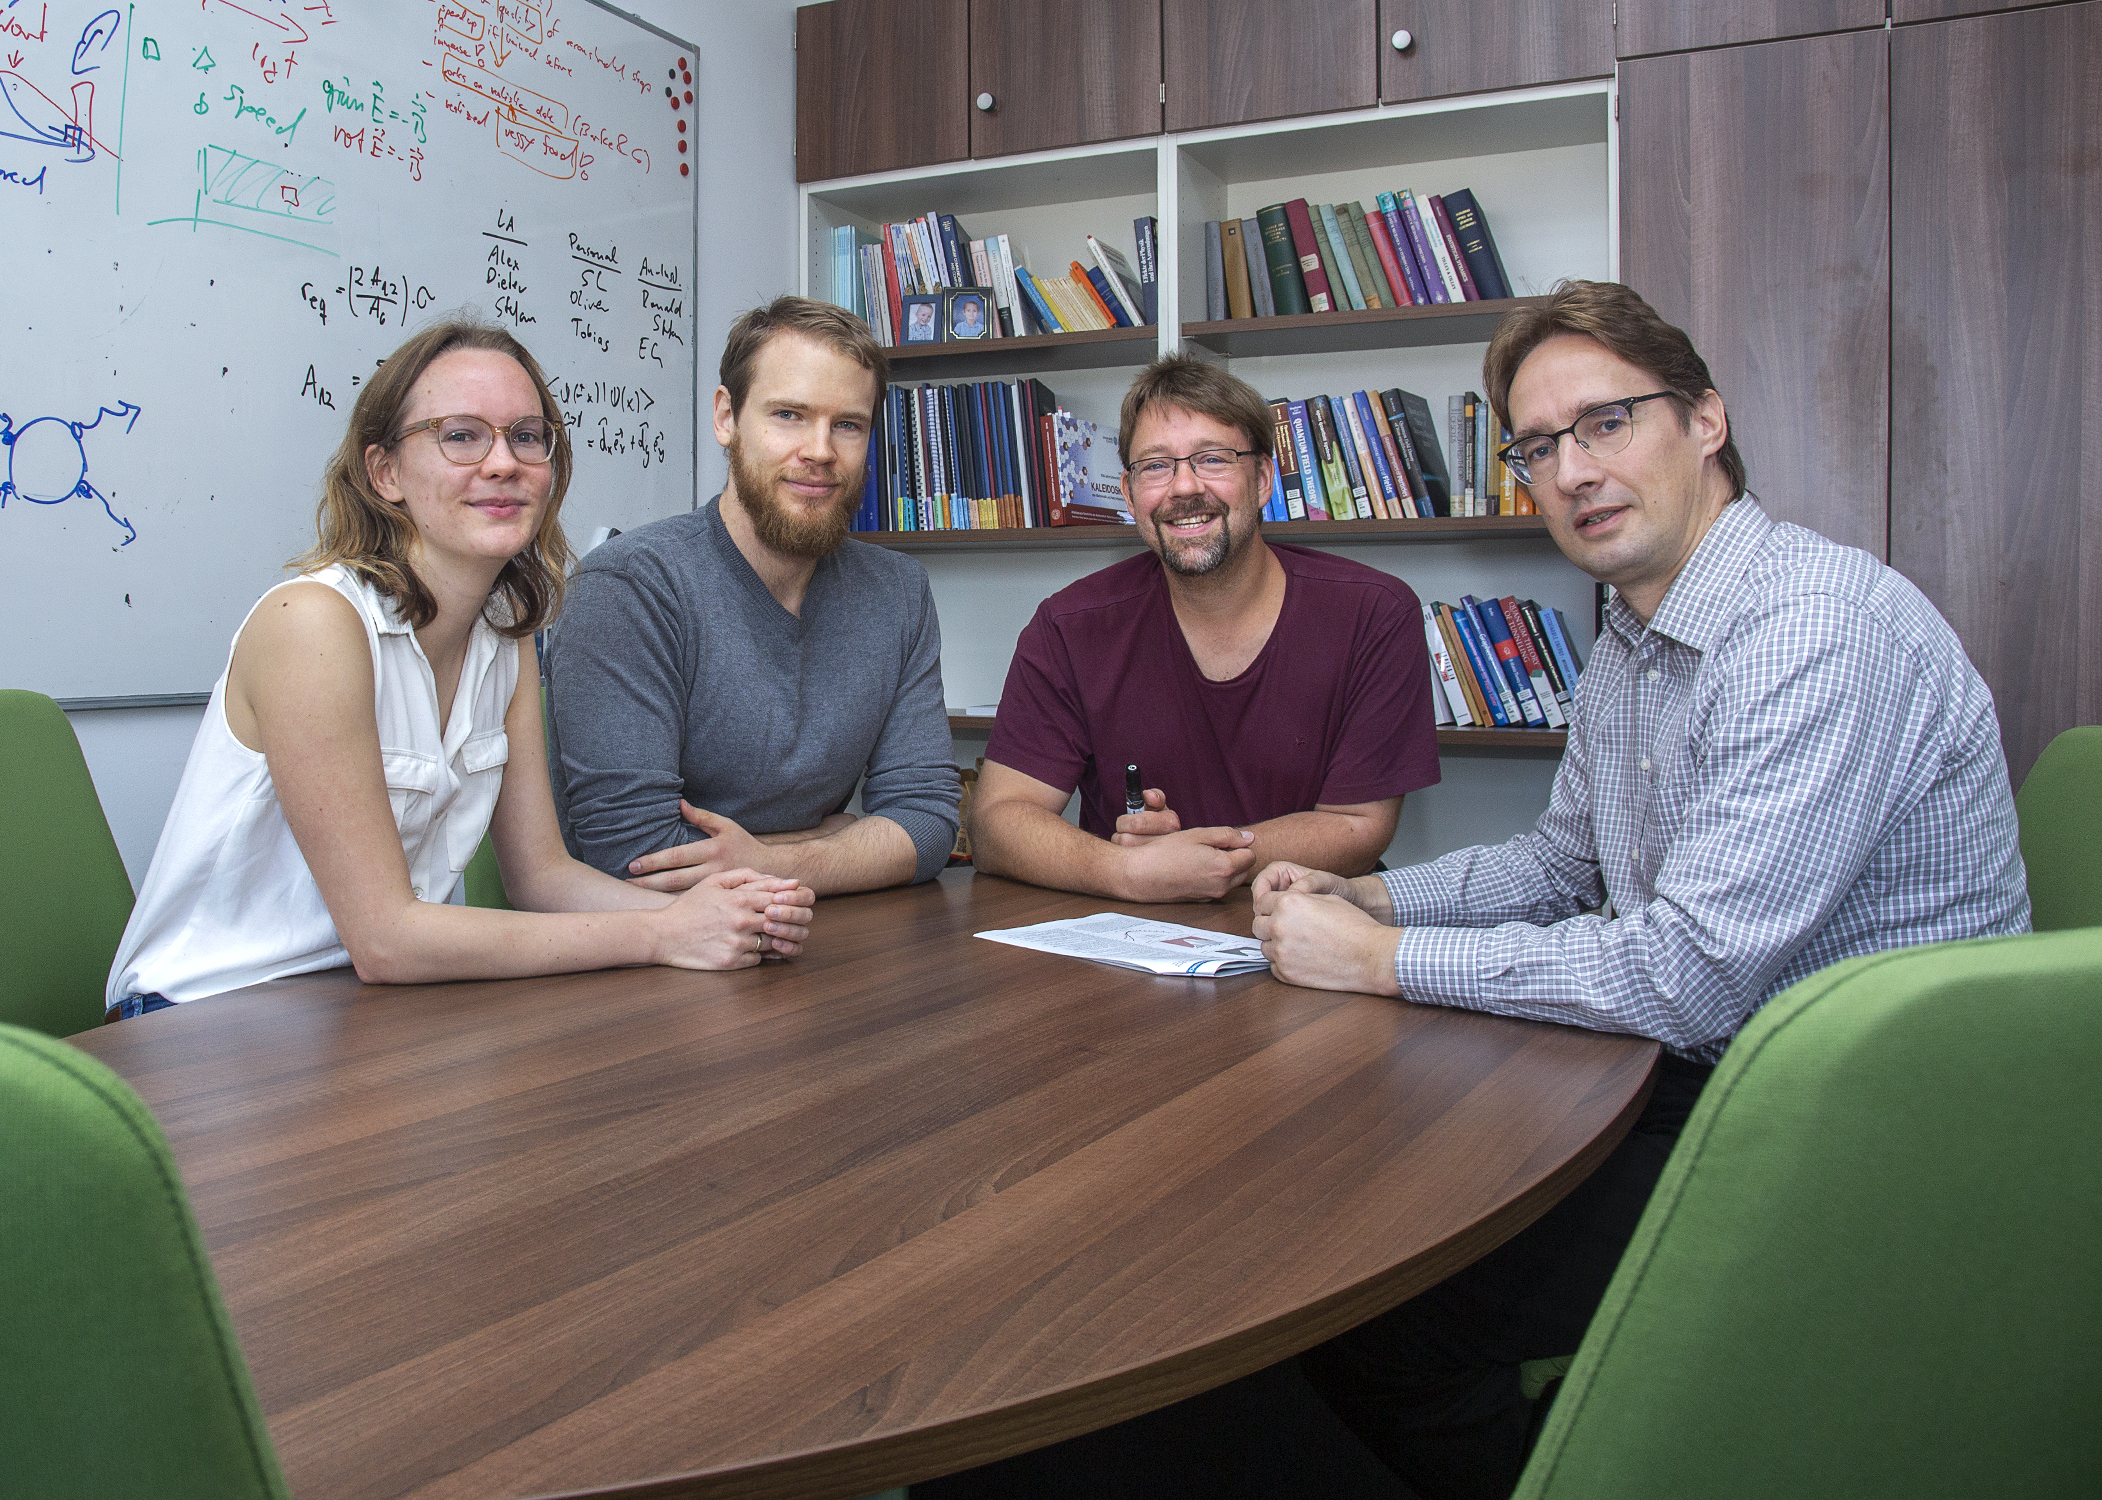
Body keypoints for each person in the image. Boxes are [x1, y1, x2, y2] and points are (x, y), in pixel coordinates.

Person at [1250, 280, 2031, 1499]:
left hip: (1862, 1141)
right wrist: (1374, 901)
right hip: (1722, 1073)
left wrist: (1378, 964)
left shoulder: (1810, 633)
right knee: (1375, 1184)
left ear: (1704, 421)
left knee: (1380, 1317)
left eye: (1606, 423)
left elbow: (1685, 974)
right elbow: (1563, 864)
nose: (1571, 471)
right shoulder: (1631, 632)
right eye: (1537, 446)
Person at [106, 322, 816, 1018]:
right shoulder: (312, 624)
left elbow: (540, 877)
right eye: (461, 435)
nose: (504, 463)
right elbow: (386, 939)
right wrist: (662, 934)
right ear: (385, 472)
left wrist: (718, 913)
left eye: (527, 437)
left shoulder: (505, 632)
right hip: (193, 1018)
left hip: (360, 1011)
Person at [967, 354, 1442, 903]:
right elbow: (996, 824)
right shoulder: (1069, 626)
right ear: (1128, 494)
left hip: (1307, 922)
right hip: (1127, 930)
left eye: (1213, 459)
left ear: (1262, 479)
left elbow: (1359, 826)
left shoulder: (1374, 613)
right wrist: (1128, 871)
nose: (1184, 487)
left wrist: (1201, 857)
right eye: (1156, 466)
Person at [547, 296, 958, 897]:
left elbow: (928, 823)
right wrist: (838, 840)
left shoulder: (898, 591)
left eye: (848, 425)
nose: (820, 450)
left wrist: (771, 860)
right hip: (648, 946)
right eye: (789, 415)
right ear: (726, 417)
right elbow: (635, 855)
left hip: (818, 931)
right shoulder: (630, 588)